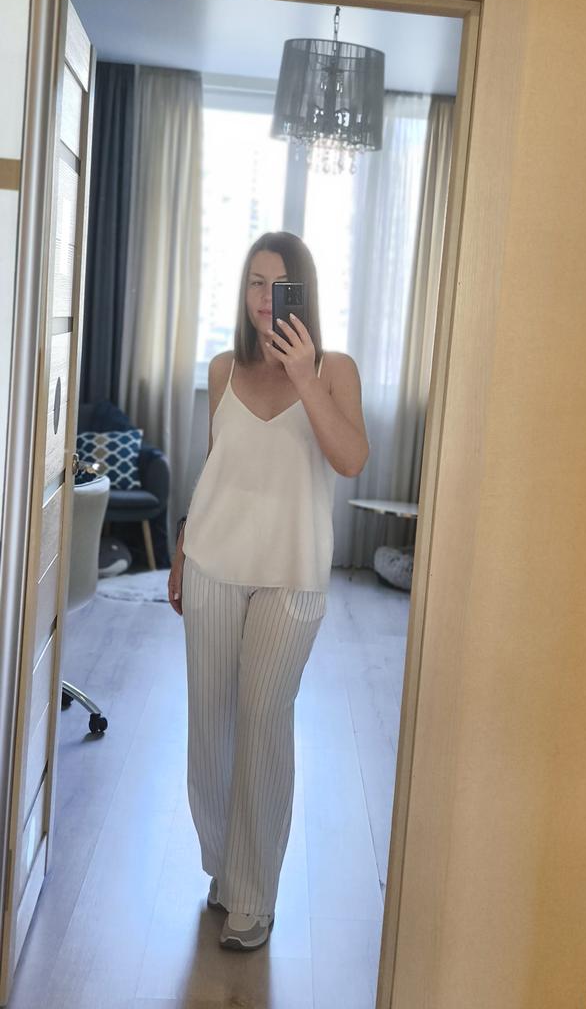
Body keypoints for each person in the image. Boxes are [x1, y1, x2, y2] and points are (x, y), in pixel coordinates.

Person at [167, 232, 369, 950]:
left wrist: (305, 376)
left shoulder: (334, 370)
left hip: (292, 573)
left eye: (278, 285)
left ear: (301, 293)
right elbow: (215, 464)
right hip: (214, 561)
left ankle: (255, 893)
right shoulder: (224, 368)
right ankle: (225, 868)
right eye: (254, 282)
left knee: (262, 719)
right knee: (210, 725)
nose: (263, 298)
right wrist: (182, 551)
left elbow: (350, 459)